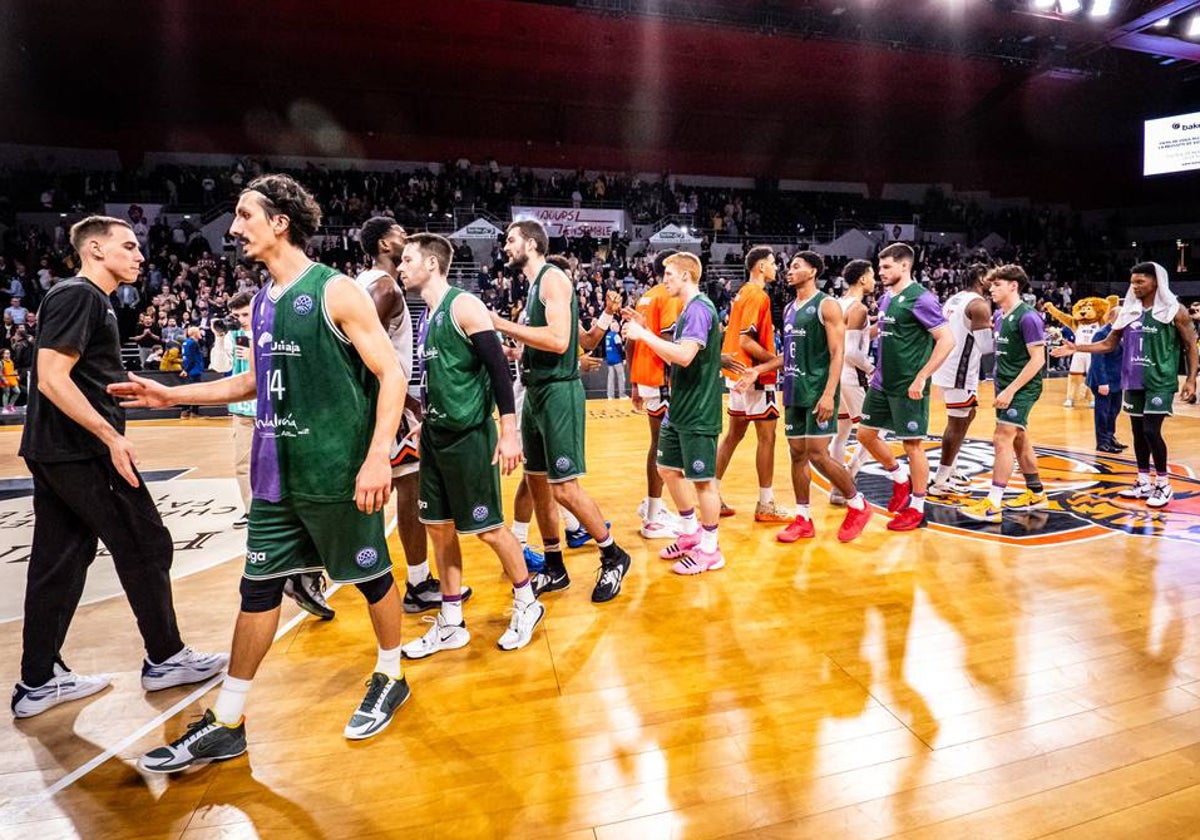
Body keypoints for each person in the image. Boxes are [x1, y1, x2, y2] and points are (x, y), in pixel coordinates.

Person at [114, 174, 412, 771]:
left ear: (280, 222)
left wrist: (378, 454)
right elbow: (255, 383)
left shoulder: (336, 293)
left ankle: (390, 673)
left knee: (370, 577)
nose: (235, 227)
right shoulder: (262, 301)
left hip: (337, 470)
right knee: (258, 588)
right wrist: (175, 396)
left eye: (246, 215)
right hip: (276, 473)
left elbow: (392, 375)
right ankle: (229, 720)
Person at [12, 215, 227, 720]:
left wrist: (122, 382)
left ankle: (38, 680)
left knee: (59, 560)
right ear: (94, 249)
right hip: (81, 451)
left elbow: (76, 374)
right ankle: (166, 656)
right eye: (128, 246)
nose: (139, 256)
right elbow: (50, 377)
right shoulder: (80, 295)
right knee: (145, 542)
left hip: (54, 451)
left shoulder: (84, 298)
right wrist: (110, 436)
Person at [399, 233, 545, 658]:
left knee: (487, 528)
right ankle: (450, 621)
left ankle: (527, 602)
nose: (401, 267)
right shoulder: (427, 316)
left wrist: (509, 430)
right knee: (439, 529)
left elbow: (498, 369)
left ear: (431, 263)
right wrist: (424, 422)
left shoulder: (463, 305)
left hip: (468, 437)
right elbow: (442, 379)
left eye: (408, 260)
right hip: (436, 436)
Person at [490, 220, 631, 603]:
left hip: (557, 393)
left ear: (532, 244)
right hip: (535, 392)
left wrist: (500, 324)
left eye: (511, 239)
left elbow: (558, 340)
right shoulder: (536, 286)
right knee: (537, 485)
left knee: (564, 488)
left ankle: (613, 553)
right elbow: (583, 340)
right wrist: (513, 350)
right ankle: (554, 565)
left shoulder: (553, 279)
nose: (506, 246)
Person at [354, 217, 469, 615]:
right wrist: (407, 404)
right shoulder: (385, 287)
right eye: (401, 234)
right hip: (391, 404)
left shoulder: (360, 282)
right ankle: (418, 582)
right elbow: (361, 353)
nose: (407, 238)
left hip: (380, 402)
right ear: (386, 244)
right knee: (411, 488)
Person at [736, 252, 873, 543]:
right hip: (794, 390)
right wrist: (759, 369)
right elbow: (788, 355)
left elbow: (839, 353)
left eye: (796, 266)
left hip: (817, 392)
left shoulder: (827, 305)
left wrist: (828, 394)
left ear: (812, 272)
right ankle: (803, 518)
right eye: (789, 266)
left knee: (818, 454)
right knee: (797, 453)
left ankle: (858, 504)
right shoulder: (788, 309)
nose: (788, 271)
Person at [1053, 262, 1198, 508]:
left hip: (1160, 380)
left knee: (1152, 430)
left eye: (1141, 282)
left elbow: (1190, 345)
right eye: (1133, 282)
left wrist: (1192, 379)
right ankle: (1142, 481)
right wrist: (1076, 347)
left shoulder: (1176, 311)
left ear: (1156, 282)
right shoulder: (1129, 312)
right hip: (1132, 379)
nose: (1135, 286)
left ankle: (1163, 484)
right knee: (1138, 433)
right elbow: (1108, 344)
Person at [622, 252, 725, 574]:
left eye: (669, 274)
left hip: (698, 410)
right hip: (680, 406)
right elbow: (673, 358)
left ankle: (711, 549)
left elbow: (683, 356)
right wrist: (646, 333)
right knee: (667, 468)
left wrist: (645, 336)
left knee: (703, 482)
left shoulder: (699, 309)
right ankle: (691, 530)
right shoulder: (686, 311)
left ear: (686, 275)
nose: (664, 279)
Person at [855, 243, 955, 531]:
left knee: (912, 445)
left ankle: (918, 507)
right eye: (880, 267)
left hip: (909, 385)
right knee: (865, 434)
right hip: (882, 382)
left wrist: (922, 377)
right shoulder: (888, 297)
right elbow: (884, 329)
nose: (881, 272)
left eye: (886, 267)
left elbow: (947, 340)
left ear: (904, 266)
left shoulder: (921, 299)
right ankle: (900, 478)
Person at [962, 265, 1049, 522]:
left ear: (1013, 286)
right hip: (1006, 386)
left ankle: (993, 503)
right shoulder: (1000, 316)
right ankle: (1036, 493)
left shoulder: (1028, 317)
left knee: (1002, 438)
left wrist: (1011, 390)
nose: (992, 289)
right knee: (1019, 439)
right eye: (991, 285)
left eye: (997, 285)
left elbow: (1037, 361)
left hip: (1022, 388)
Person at [714, 246, 790, 522]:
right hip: (754, 375)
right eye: (772, 263)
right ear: (760, 267)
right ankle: (766, 504)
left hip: (736, 373)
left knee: (733, 435)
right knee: (767, 438)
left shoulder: (742, 293)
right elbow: (747, 341)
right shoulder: (758, 295)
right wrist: (776, 361)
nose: (776, 268)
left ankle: (712, 495)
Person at [626, 250, 684, 538]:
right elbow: (671, 342)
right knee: (665, 447)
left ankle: (653, 506)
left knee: (657, 444)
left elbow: (632, 340)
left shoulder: (646, 296)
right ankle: (653, 515)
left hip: (648, 377)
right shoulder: (669, 296)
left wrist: (635, 382)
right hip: (664, 378)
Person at [929, 263, 993, 497]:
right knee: (956, 424)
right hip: (960, 370)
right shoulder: (979, 305)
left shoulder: (955, 298)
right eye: (990, 276)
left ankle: (952, 469)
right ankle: (940, 480)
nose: (994, 281)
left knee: (969, 414)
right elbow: (986, 347)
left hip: (948, 364)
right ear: (980, 278)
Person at [829, 259, 876, 505]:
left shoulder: (837, 303)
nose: (875, 280)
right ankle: (849, 476)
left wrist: (875, 328)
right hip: (853, 375)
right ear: (862, 279)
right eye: (873, 275)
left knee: (842, 432)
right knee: (873, 431)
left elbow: (845, 339)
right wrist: (872, 368)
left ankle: (836, 490)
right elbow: (851, 352)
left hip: (836, 376)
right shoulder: (858, 308)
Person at [1087, 305, 1125, 453]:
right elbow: (1097, 360)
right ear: (1111, 317)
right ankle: (1102, 442)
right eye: (1120, 316)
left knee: (1114, 410)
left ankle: (1110, 437)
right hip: (1103, 380)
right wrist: (1102, 382)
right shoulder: (1101, 334)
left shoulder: (1123, 333)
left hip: (1117, 380)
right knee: (1103, 412)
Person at [603, 320, 626, 400]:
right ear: (613, 327)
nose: (618, 327)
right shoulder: (616, 336)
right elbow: (619, 347)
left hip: (609, 359)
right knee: (621, 377)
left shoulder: (608, 335)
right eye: (617, 326)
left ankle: (610, 395)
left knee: (610, 378)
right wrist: (623, 358)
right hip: (617, 359)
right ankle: (622, 395)